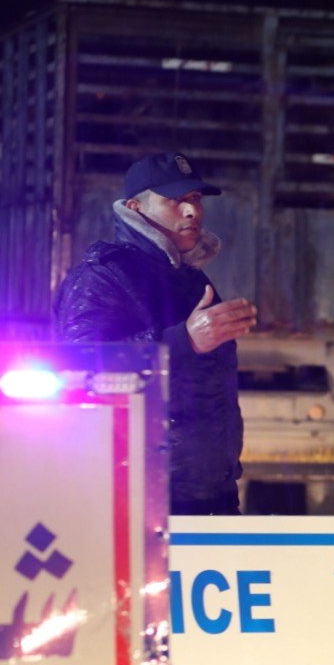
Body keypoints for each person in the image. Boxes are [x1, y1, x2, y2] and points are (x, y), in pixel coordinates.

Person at [53, 152, 258, 515]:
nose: (192, 211)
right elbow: (81, 368)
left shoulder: (191, 278)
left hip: (214, 494)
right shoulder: (102, 274)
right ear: (136, 208)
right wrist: (184, 341)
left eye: (195, 198)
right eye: (176, 200)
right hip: (141, 499)